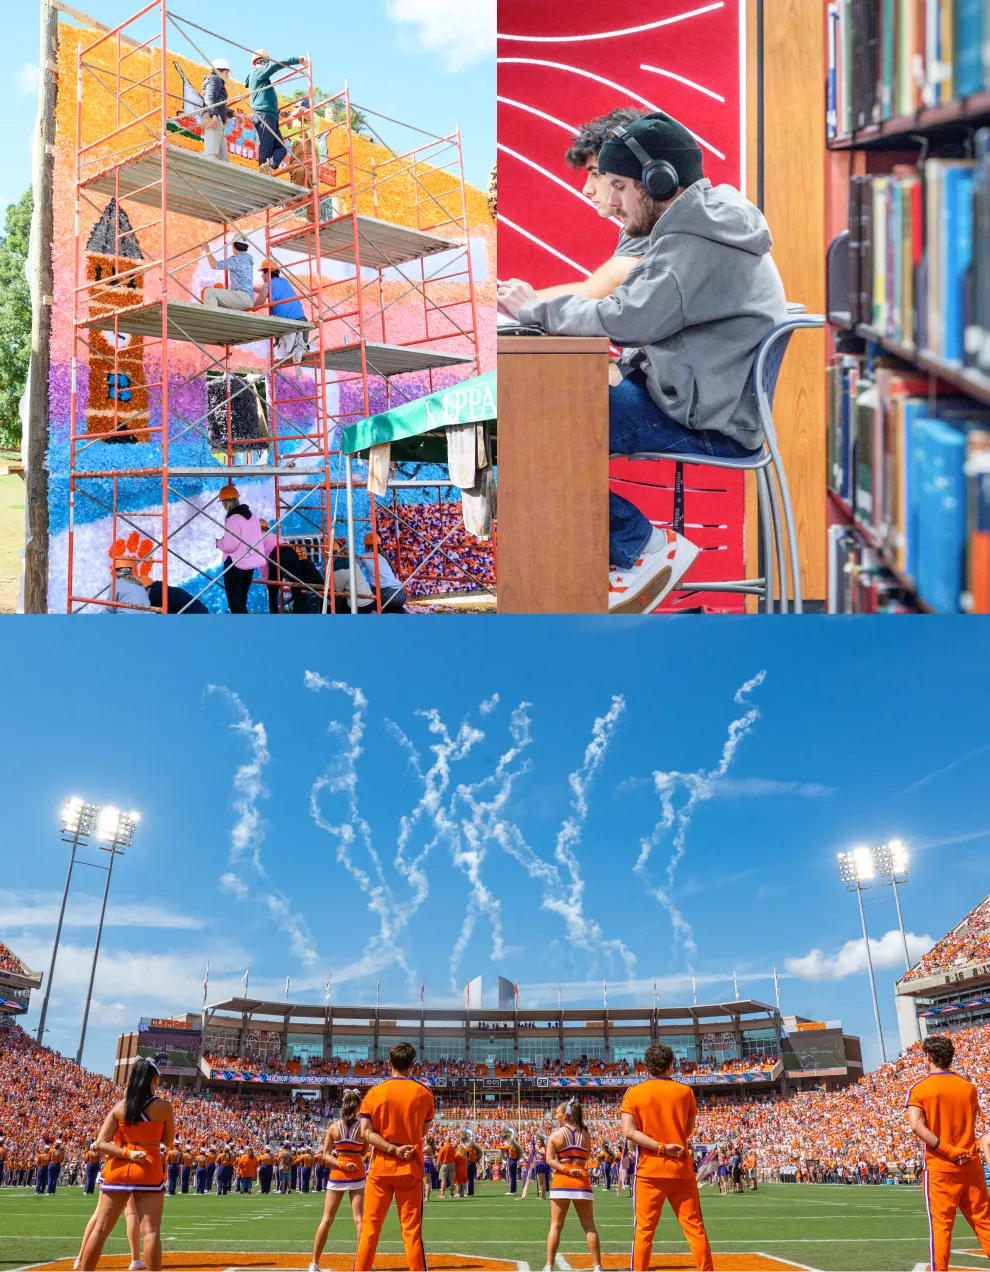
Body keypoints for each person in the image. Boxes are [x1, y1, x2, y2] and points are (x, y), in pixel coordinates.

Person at [498, 111, 787, 615]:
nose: (610, 201)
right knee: (541, 421)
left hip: (703, 419)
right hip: (700, 398)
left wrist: (531, 309)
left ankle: (641, 549)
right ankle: (609, 568)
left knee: (527, 435)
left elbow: (626, 317)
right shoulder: (698, 221)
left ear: (656, 180)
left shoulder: (694, 239)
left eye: (617, 186)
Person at [532, 107, 652, 304]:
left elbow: (594, 291)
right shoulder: (642, 222)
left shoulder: (654, 224)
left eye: (596, 174)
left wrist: (523, 301)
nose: (587, 189)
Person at [619, 1042, 714, 1272]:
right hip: (681, 1169)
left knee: (644, 1231)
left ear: (646, 1066)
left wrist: (660, 1146)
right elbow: (687, 1130)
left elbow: (629, 1132)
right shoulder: (685, 1092)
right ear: (672, 1065)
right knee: (695, 1228)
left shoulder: (634, 1093)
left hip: (649, 1171)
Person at [78, 1058, 173, 1272]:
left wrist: (128, 1153)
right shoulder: (164, 1107)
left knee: (100, 1229)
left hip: (118, 1169)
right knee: (150, 1231)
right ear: (154, 1080)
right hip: (148, 1168)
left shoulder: (119, 1107)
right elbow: (168, 1141)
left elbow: (100, 1143)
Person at [906, 1033, 990, 1272]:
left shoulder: (920, 1088)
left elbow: (916, 1125)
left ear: (929, 1057)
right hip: (971, 1164)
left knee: (941, 1228)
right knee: (985, 1224)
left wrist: (948, 1150)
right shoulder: (969, 1088)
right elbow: (969, 1121)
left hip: (941, 1166)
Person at [352, 1040, 435, 1272]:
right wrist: (402, 1146)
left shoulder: (374, 1093)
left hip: (380, 1168)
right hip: (410, 1167)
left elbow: (366, 1133)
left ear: (389, 1063)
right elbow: (421, 1131)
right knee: (411, 1232)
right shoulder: (424, 1093)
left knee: (369, 1230)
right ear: (412, 1064)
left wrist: (390, 1148)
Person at [309, 1088, 365, 1272]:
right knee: (359, 1220)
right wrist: (351, 1161)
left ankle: (314, 1263)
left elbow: (325, 1155)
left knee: (326, 1219)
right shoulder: (363, 1128)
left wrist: (341, 1164)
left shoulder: (333, 1127)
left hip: (338, 1175)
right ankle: (363, 1263)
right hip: (357, 1173)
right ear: (357, 1105)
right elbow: (364, 1152)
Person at [544, 1098, 603, 1272]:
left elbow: (549, 1160)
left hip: (562, 1179)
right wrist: (574, 1169)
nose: (556, 1116)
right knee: (589, 1226)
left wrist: (566, 1170)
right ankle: (597, 1266)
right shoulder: (586, 1134)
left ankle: (549, 1266)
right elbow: (585, 1158)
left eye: (557, 1113)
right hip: (581, 1181)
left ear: (566, 1114)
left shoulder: (556, 1135)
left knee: (555, 1225)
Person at [246, 50, 307, 175]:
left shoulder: (262, 80)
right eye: (265, 61)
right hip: (264, 115)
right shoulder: (258, 73)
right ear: (260, 62)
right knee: (266, 146)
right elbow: (275, 65)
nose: (267, 64)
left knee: (281, 148)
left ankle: (268, 167)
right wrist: (295, 60)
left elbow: (263, 100)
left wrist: (279, 112)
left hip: (270, 115)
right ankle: (262, 173)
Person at [215, 482, 267, 613]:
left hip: (235, 564)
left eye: (223, 503)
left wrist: (218, 543)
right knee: (241, 599)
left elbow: (230, 545)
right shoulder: (253, 517)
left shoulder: (233, 519)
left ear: (226, 503)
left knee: (235, 602)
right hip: (249, 564)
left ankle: (242, 629)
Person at [255, 262, 309, 364]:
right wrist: (253, 288)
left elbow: (258, 303)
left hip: (287, 325)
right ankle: (299, 350)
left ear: (268, 272)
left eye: (262, 272)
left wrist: (244, 308)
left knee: (284, 351)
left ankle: (296, 350)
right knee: (302, 351)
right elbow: (266, 290)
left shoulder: (267, 285)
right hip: (302, 321)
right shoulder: (284, 281)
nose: (261, 275)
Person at [203, 233, 255, 312]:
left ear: (234, 246)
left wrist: (207, 249)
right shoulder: (247, 259)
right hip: (248, 299)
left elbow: (214, 265)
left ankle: (211, 321)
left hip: (241, 297)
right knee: (218, 304)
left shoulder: (237, 259)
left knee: (209, 292)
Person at [361, 533, 408, 613]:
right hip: (400, 593)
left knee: (367, 600)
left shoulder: (367, 556)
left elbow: (351, 561)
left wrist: (343, 551)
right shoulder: (382, 557)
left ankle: (383, 614)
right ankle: (400, 611)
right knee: (392, 606)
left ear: (367, 546)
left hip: (386, 594)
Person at [201, 58, 231, 163]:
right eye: (226, 73)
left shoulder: (215, 81)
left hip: (216, 119)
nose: (228, 76)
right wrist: (213, 115)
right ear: (220, 71)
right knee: (211, 154)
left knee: (223, 160)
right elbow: (209, 98)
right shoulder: (214, 79)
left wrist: (233, 113)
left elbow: (219, 104)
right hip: (212, 118)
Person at [503, 1127, 522, 1195]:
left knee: (510, 1176)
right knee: (513, 1176)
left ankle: (511, 1190)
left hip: (510, 1160)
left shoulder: (510, 1144)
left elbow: (501, 1147)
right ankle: (514, 1190)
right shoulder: (516, 1144)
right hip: (514, 1160)